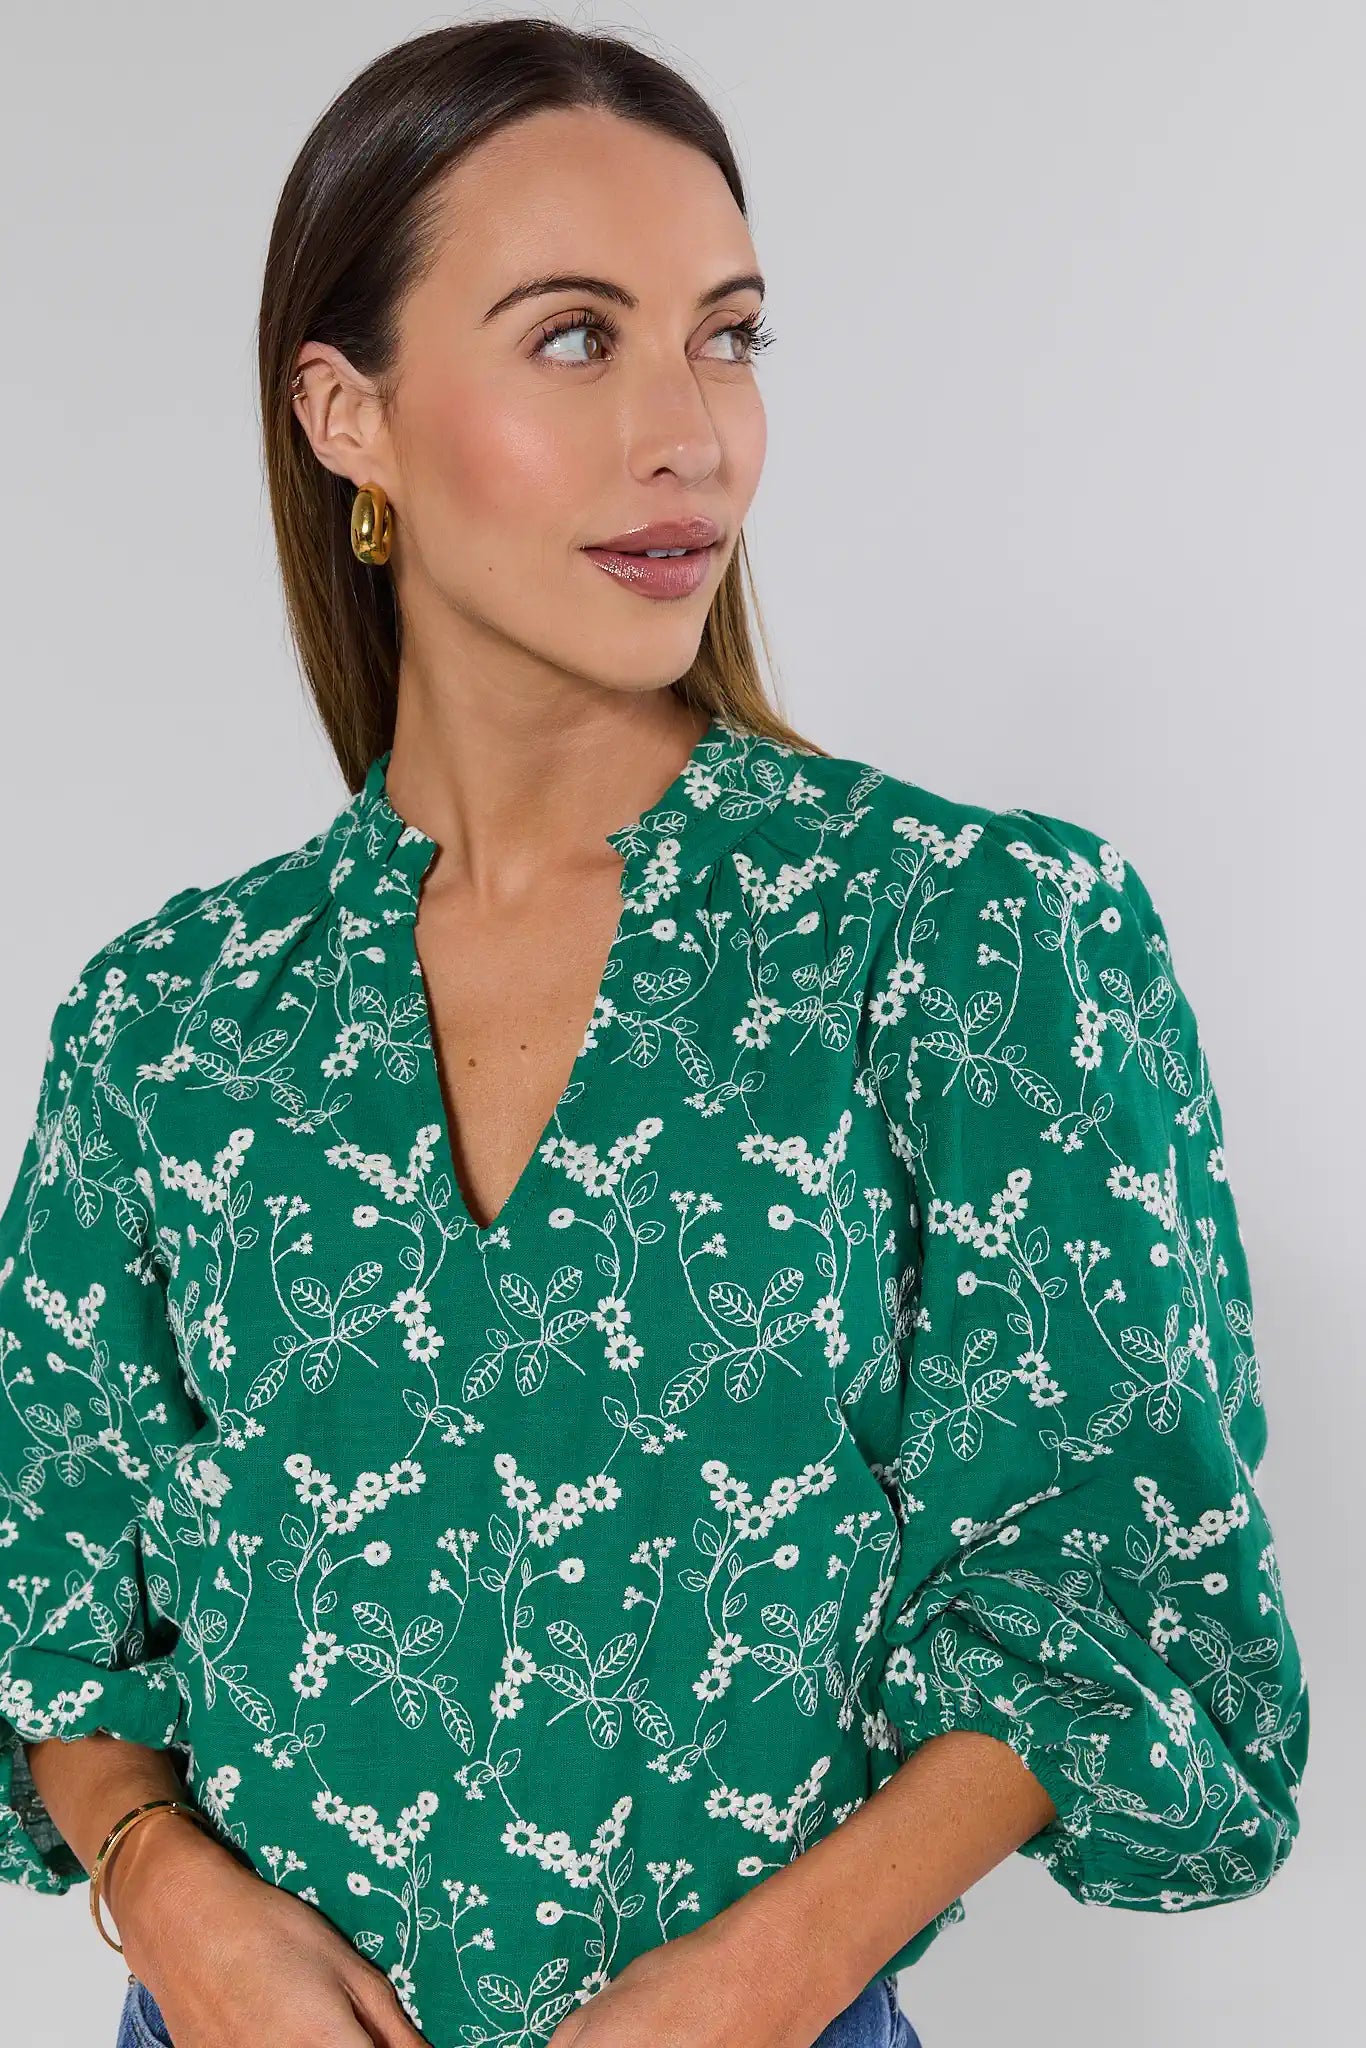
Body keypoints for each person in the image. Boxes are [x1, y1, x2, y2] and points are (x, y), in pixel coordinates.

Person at [0, 19, 1308, 2048]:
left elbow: (1118, 1585)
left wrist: (765, 1975)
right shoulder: (173, 1026)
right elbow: (45, 1612)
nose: (687, 431)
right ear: (346, 414)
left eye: (727, 336)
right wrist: (169, 1899)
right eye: (570, 340)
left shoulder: (958, 943)